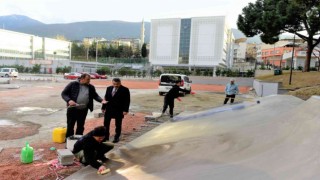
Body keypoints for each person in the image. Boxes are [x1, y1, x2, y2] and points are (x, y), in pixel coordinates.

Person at [61, 73, 106, 138]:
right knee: (70, 126)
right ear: (82, 79)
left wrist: (102, 100)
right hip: (72, 109)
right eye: (87, 79)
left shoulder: (91, 87)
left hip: (83, 110)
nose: (89, 81)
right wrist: (69, 100)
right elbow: (64, 94)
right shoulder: (73, 84)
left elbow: (95, 96)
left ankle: (79, 141)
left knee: (80, 126)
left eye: (89, 79)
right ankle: (69, 141)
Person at [102, 78, 130, 143]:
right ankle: (106, 137)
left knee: (118, 124)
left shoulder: (125, 89)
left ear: (120, 83)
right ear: (112, 83)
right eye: (114, 84)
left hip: (119, 110)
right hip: (109, 109)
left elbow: (127, 101)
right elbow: (106, 98)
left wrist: (125, 110)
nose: (115, 85)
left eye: (117, 84)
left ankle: (116, 137)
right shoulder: (109, 88)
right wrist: (103, 107)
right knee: (106, 124)